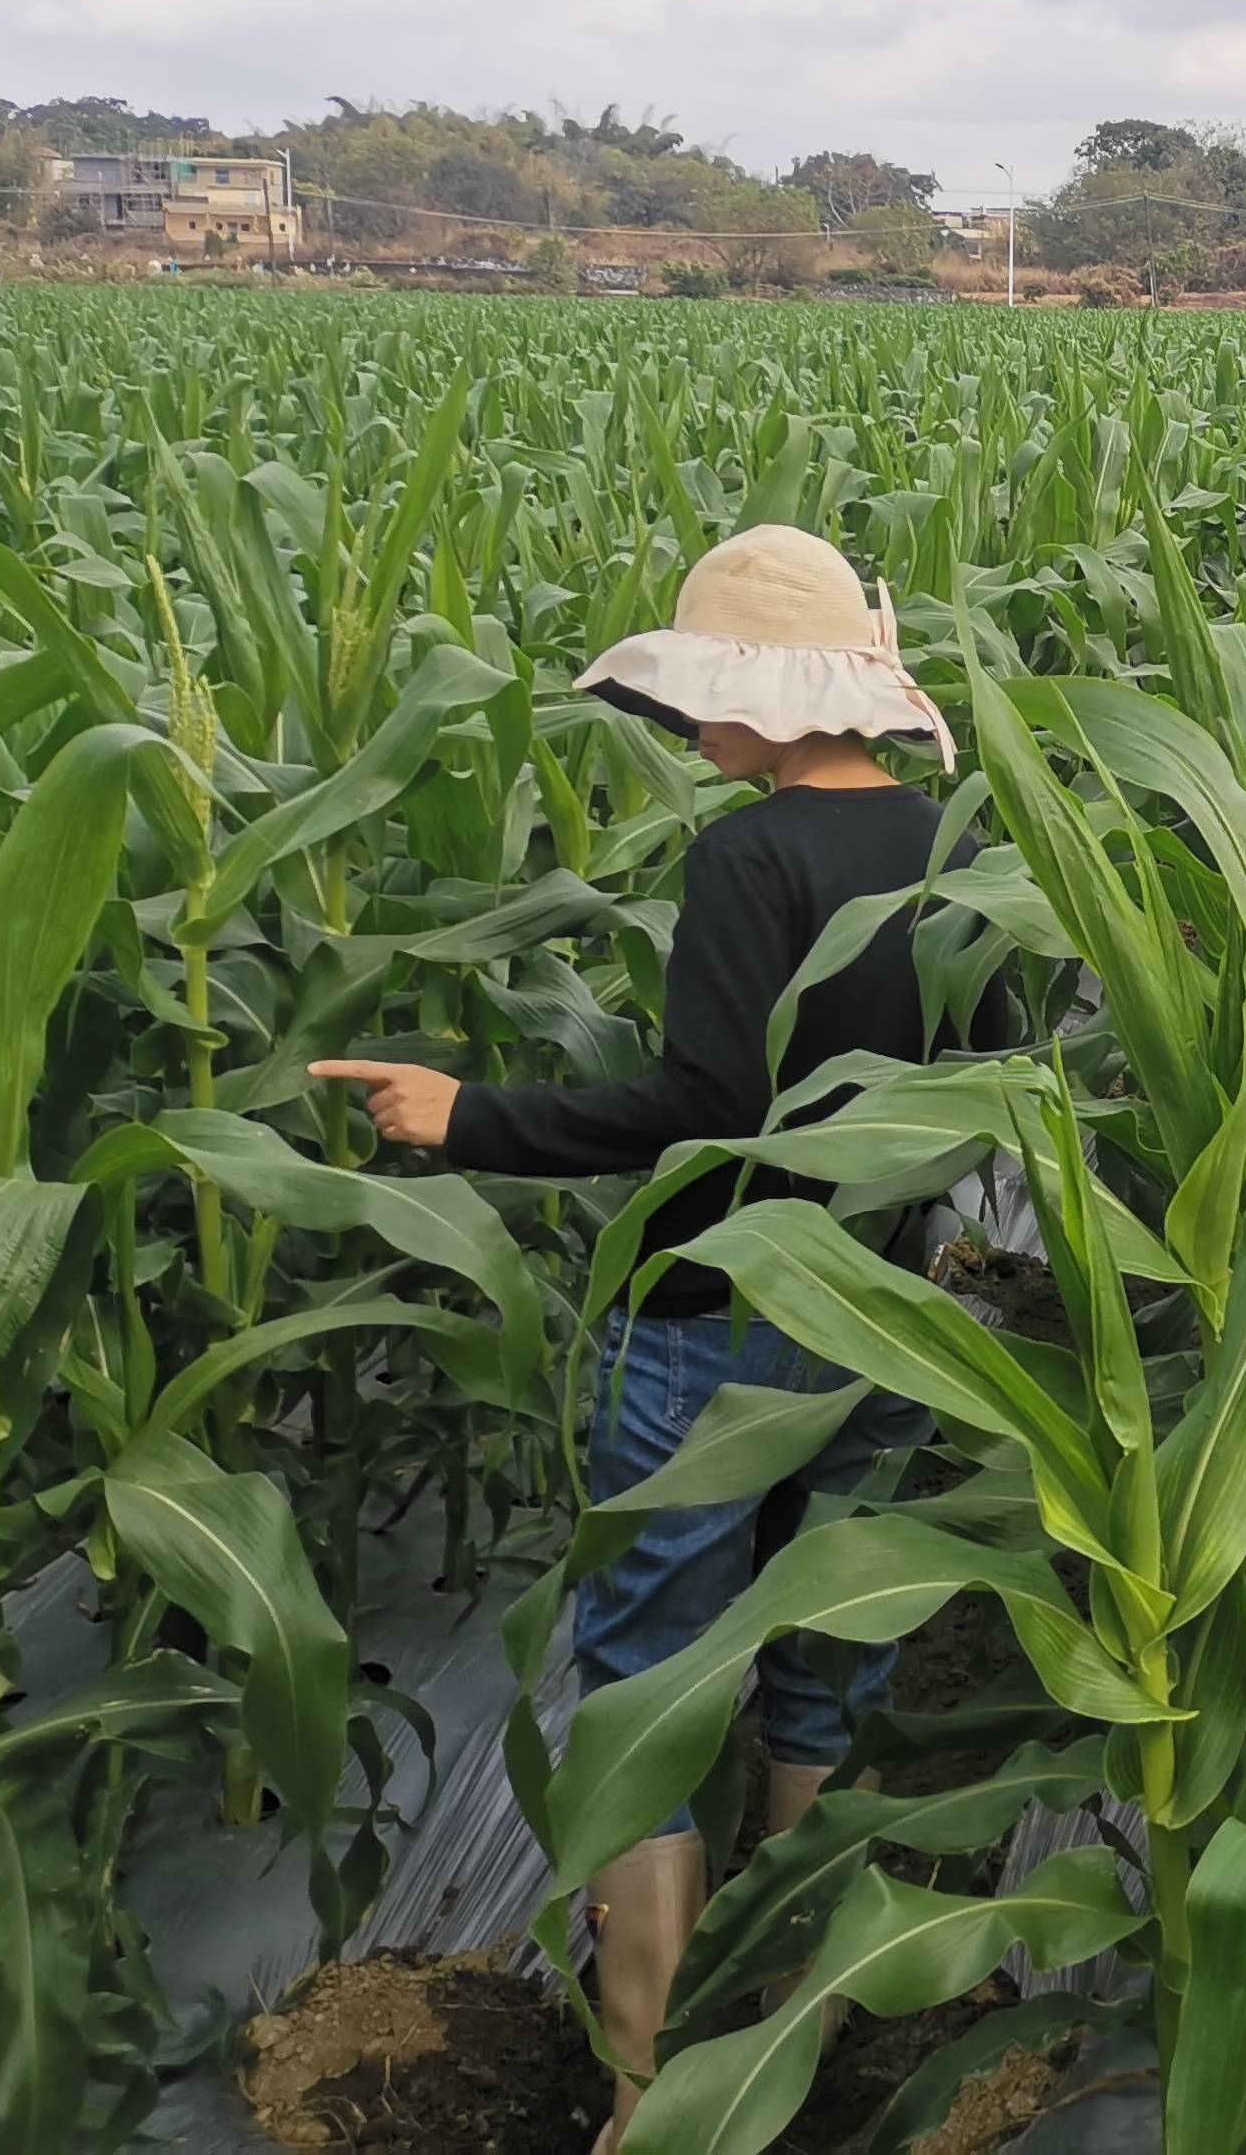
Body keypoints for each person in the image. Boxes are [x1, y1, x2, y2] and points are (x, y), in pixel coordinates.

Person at [315, 524, 1003, 2155]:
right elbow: (974, 1068)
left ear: (770, 698)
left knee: (645, 1684)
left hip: (713, 1327)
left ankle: (643, 2095)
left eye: (709, 695)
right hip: (879, 1317)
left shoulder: (751, 863)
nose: (694, 729)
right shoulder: (953, 843)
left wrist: (468, 1113)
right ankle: (805, 2023)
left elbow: (704, 1112)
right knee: (828, 1673)